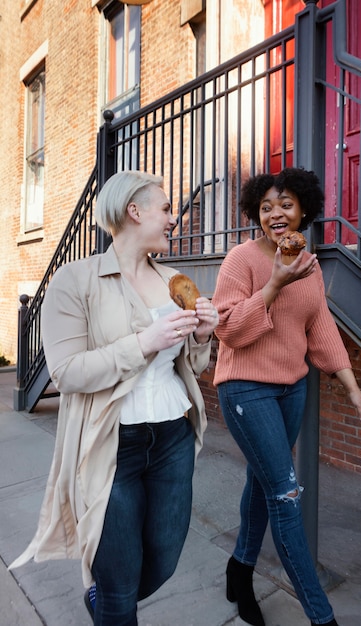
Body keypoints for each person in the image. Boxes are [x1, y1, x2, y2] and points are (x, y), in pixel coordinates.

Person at [9, 170, 219, 625]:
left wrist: (201, 336)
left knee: (161, 563)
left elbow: (191, 366)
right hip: (111, 444)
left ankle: (103, 597)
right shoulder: (76, 280)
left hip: (172, 439)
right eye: (165, 209)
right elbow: (67, 373)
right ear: (134, 211)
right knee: (121, 590)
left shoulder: (172, 279)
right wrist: (146, 341)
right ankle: (110, 601)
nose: (172, 219)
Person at [211, 167, 361, 626]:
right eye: (265, 207)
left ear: (304, 209)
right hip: (245, 388)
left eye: (285, 204)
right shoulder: (240, 260)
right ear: (256, 215)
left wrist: (353, 388)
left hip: (292, 390)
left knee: (262, 483)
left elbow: (320, 328)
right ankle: (323, 618)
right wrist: (274, 284)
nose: (275, 214)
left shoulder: (311, 266)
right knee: (286, 497)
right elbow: (225, 328)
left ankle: (239, 570)